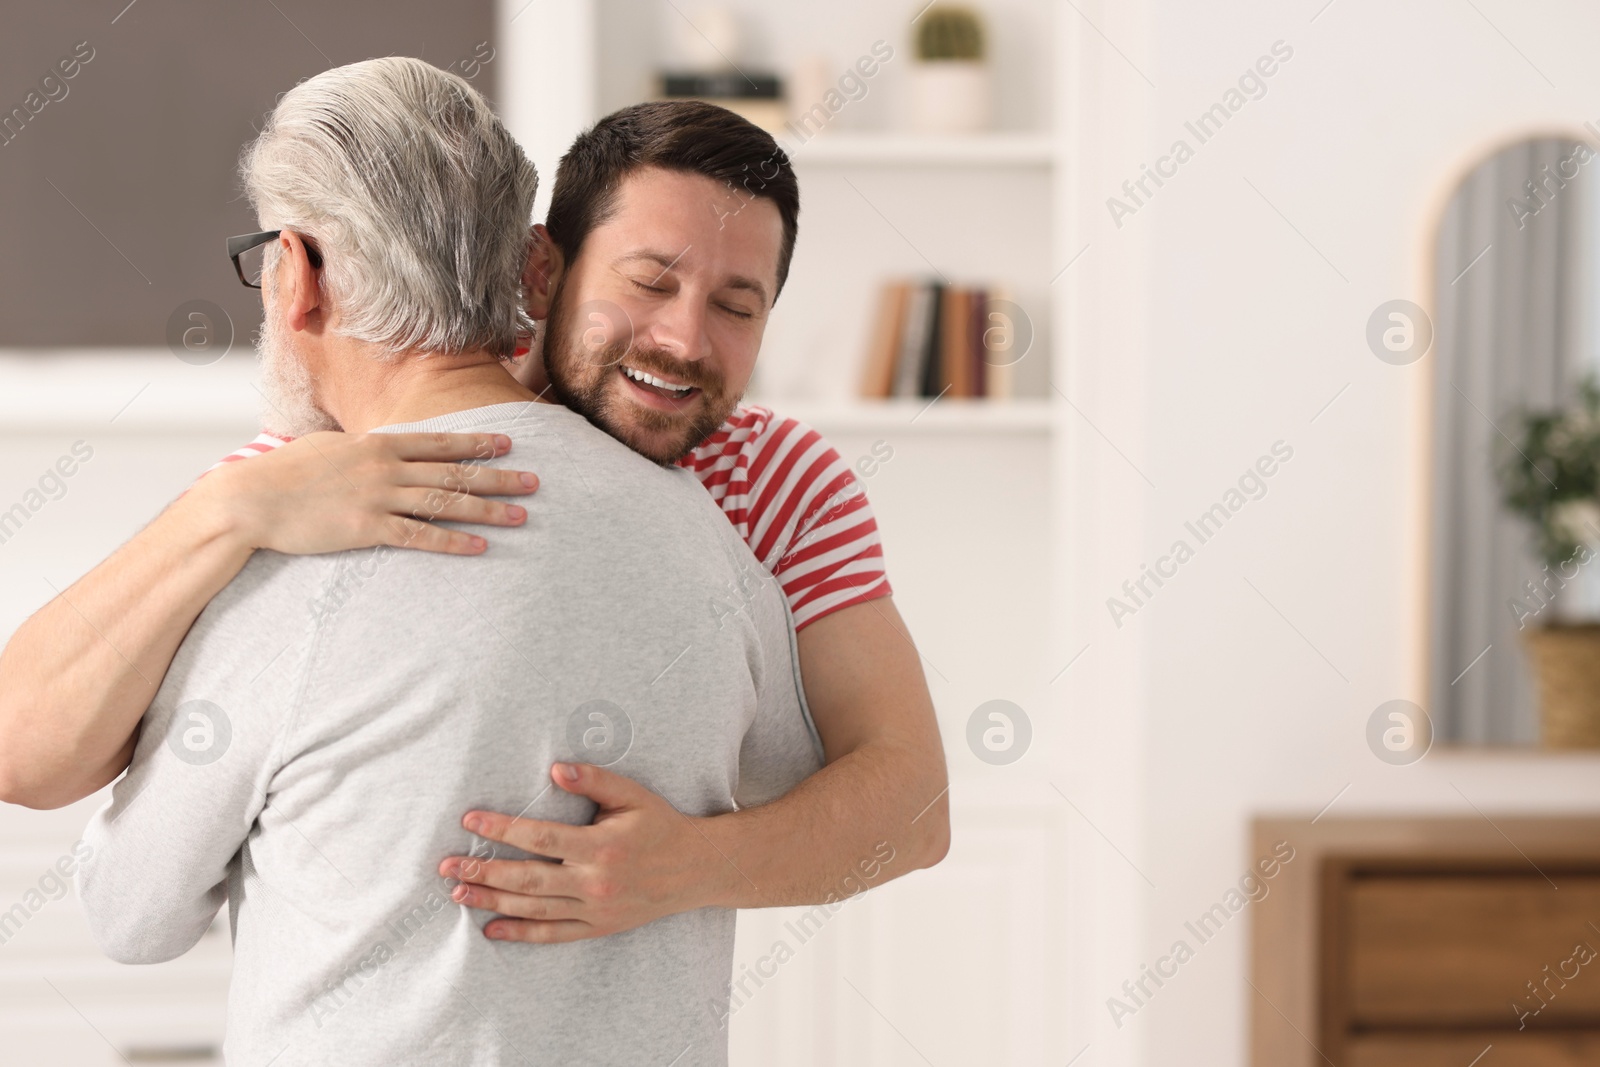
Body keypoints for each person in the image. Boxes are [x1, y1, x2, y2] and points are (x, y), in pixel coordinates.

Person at [0, 85, 949, 941]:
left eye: (737, 306)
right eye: (650, 283)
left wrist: (687, 866)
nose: (684, 338)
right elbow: (24, 745)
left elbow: (912, 799)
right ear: (542, 270)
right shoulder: (343, 465)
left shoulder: (778, 483)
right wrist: (226, 508)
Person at [77, 57, 826, 1066]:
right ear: (530, 269)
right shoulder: (717, 542)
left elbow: (132, 914)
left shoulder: (291, 559)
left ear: (296, 276)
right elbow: (797, 785)